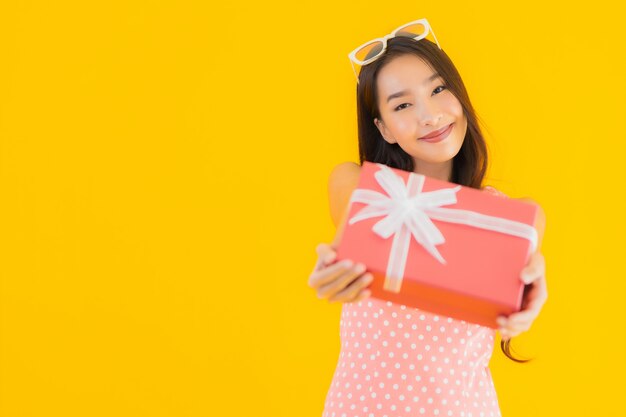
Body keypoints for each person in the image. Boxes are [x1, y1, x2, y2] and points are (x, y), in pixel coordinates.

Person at [308, 18, 547, 417]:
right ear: (382, 128)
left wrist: (532, 287)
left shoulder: (511, 216)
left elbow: (529, 269)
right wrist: (337, 259)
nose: (430, 115)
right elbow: (356, 223)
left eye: (438, 89)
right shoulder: (356, 183)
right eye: (403, 104)